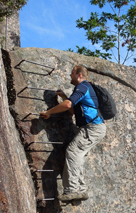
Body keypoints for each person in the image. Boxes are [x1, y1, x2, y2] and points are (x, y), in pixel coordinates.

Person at [40, 65, 106, 201]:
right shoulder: (85, 88)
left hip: (92, 127)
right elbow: (72, 111)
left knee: (73, 152)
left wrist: (48, 112)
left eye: (72, 73)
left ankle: (72, 190)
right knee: (77, 155)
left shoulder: (82, 87)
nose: (70, 75)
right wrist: (64, 96)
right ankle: (81, 189)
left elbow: (68, 105)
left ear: (79, 75)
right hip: (93, 128)